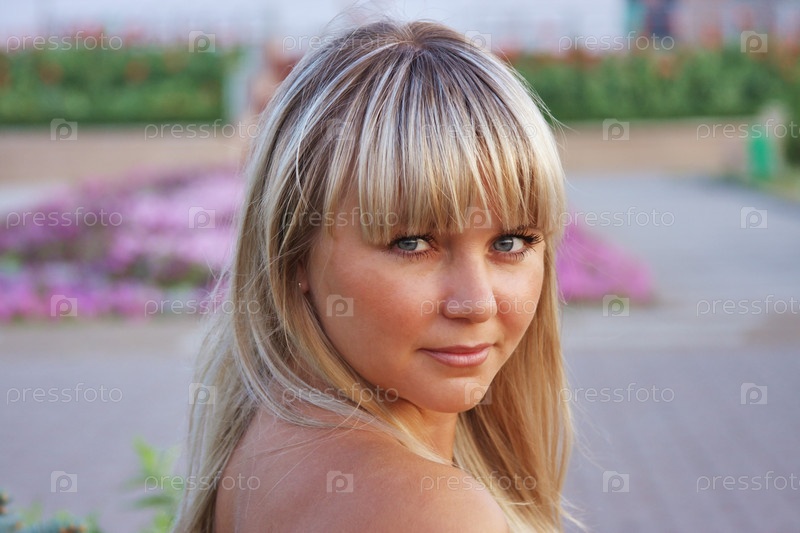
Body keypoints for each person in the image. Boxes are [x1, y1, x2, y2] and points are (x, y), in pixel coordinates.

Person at [174, 17, 576, 533]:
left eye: (510, 243)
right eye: (412, 243)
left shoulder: (270, 441)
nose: (477, 303)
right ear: (293, 254)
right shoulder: (432, 513)